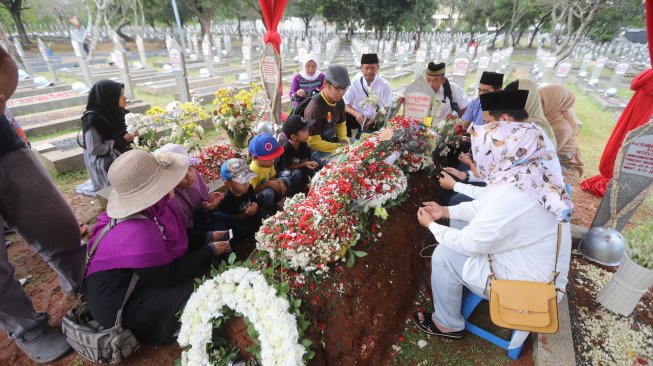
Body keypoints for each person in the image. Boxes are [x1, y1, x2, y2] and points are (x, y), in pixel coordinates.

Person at [413, 90, 573, 339]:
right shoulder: (526, 169)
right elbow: (487, 203)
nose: (485, 158)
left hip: (529, 285)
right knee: (456, 228)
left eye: (489, 148)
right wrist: (444, 211)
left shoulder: (518, 193)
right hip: (526, 257)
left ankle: (446, 323)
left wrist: (432, 226)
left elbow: (469, 242)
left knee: (444, 254)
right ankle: (455, 292)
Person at [84, 149, 231, 346]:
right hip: (121, 304)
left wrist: (207, 237)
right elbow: (167, 277)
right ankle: (165, 330)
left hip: (141, 280)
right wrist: (209, 250)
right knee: (199, 287)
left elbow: (173, 238)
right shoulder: (138, 232)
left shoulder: (153, 210)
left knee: (205, 267)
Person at [0, 45, 85, 363]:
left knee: (57, 223)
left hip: (5, 146)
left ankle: (82, 280)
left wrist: (2, 94)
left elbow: (3, 61)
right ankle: (26, 328)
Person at [155, 144, 229, 240]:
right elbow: (185, 232)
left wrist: (207, 204)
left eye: (189, 168)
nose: (189, 175)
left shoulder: (195, 180)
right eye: (181, 173)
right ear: (170, 177)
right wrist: (205, 210)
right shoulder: (170, 200)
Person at [77, 80, 135, 195]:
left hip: (118, 149)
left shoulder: (118, 111)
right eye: (121, 95)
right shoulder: (93, 119)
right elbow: (94, 149)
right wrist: (124, 140)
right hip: (103, 158)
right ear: (109, 98)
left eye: (124, 94)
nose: (125, 98)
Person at [305, 64, 352, 167]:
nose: (341, 93)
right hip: (317, 150)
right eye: (338, 88)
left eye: (344, 89)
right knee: (344, 164)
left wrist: (343, 138)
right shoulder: (314, 109)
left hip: (334, 142)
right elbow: (313, 142)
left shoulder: (339, 101)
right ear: (326, 84)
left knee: (361, 148)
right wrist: (338, 146)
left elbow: (341, 124)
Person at [539, 85, 584, 189]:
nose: (538, 105)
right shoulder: (548, 117)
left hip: (563, 166)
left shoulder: (561, 127)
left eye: (542, 102)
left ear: (554, 104)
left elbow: (547, 154)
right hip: (549, 159)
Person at [343, 53, 392, 137]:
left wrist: (375, 119)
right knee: (343, 115)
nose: (369, 71)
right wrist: (356, 114)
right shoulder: (354, 83)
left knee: (369, 137)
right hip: (358, 118)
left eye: (372, 68)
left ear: (378, 68)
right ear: (361, 68)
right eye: (366, 68)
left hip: (376, 119)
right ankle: (346, 138)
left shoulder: (385, 85)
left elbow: (386, 107)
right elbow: (345, 104)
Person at [217, 158, 264, 241]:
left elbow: (254, 201)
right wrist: (246, 214)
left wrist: (255, 207)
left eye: (247, 179)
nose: (246, 184)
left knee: (261, 215)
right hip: (239, 222)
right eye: (241, 181)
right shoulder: (226, 199)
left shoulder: (249, 189)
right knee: (243, 229)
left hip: (250, 216)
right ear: (228, 184)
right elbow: (230, 219)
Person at [504, 79, 557, 149]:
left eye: (512, 99)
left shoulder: (534, 126)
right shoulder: (537, 120)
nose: (507, 104)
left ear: (526, 99)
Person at [248, 134, 290, 215]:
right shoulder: (253, 170)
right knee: (268, 193)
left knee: (285, 180)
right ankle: (267, 211)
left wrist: (279, 181)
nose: (271, 161)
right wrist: (268, 184)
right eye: (267, 159)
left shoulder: (268, 164)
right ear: (254, 158)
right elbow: (251, 191)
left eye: (273, 157)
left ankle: (276, 204)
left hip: (267, 187)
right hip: (257, 197)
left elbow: (271, 177)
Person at [277, 115, 319, 193]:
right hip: (283, 173)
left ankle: (308, 186)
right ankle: (290, 191)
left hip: (296, 168)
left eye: (307, 130)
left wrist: (308, 163)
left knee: (311, 168)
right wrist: (305, 164)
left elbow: (304, 160)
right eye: (304, 131)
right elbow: (288, 167)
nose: (308, 133)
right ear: (294, 137)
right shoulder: (285, 148)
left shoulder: (302, 143)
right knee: (297, 173)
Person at [423, 62, 469, 126]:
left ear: (443, 80)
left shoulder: (453, 89)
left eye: (435, 81)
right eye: (428, 80)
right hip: (423, 130)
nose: (431, 85)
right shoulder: (420, 90)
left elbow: (464, 107)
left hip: (443, 132)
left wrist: (457, 125)